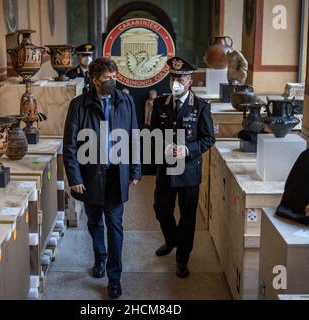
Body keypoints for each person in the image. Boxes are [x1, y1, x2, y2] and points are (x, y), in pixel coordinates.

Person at [63, 57, 141, 298]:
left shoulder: (125, 100)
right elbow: (70, 145)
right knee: (95, 221)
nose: (113, 81)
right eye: (108, 79)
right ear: (95, 81)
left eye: (115, 77)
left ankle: (114, 277)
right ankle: (100, 258)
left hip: (117, 175)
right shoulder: (79, 105)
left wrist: (136, 169)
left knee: (115, 225)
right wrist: (74, 177)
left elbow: (134, 137)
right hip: (89, 176)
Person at [150, 57, 216, 278]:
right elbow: (153, 133)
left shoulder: (201, 106)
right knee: (161, 209)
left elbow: (208, 139)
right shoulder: (160, 104)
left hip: (188, 170)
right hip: (166, 168)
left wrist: (187, 150)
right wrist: (163, 146)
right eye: (173, 78)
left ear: (190, 81)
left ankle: (182, 259)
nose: (176, 82)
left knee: (188, 216)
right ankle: (171, 240)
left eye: (181, 78)